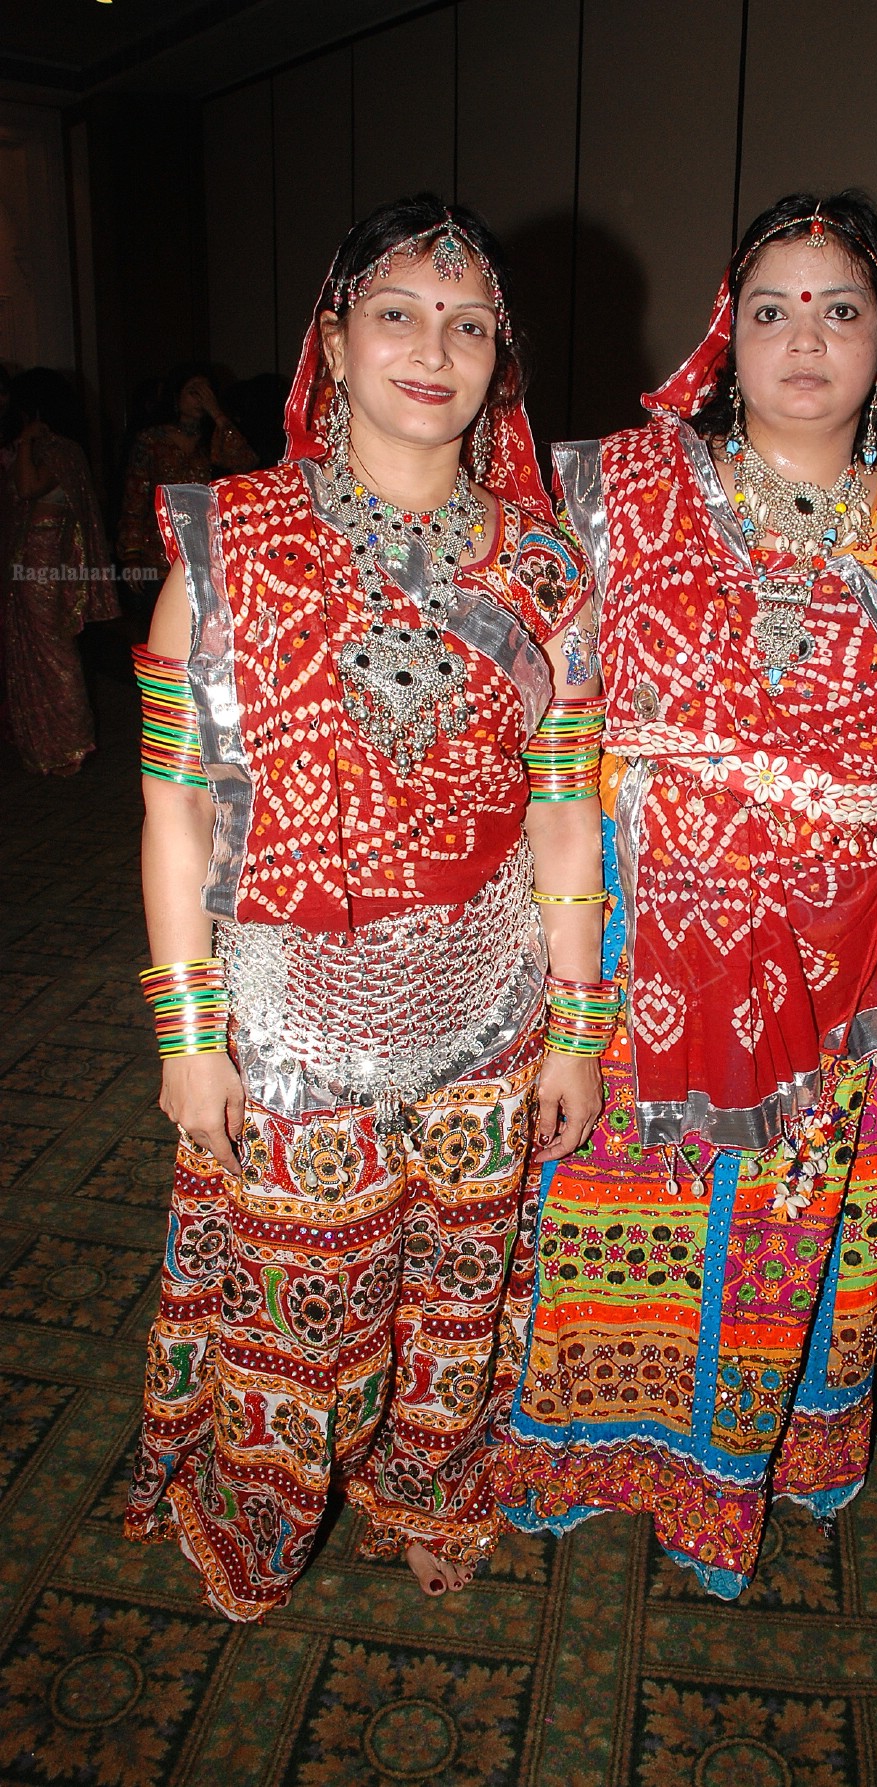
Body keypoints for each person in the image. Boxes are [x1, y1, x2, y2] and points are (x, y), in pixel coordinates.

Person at [494, 191, 877, 1597]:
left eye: (837, 307)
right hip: (640, 942)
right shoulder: (624, 494)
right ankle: (591, 1442)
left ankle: (745, 1454)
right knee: (612, 1192)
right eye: (770, 307)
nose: (803, 337)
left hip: (844, 970)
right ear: (726, 335)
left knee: (783, 1218)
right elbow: (534, 693)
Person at [123, 195, 608, 1620]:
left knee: (459, 1287)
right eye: (396, 312)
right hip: (288, 1007)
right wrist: (187, 1033)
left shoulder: (543, 569)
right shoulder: (226, 545)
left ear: (498, 358)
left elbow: (563, 810)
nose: (432, 346)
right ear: (329, 344)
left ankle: (430, 1482)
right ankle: (259, 1508)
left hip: (486, 994)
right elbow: (175, 807)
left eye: (469, 323)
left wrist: (574, 1027)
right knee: (301, 1301)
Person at [2, 368, 118, 775]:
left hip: (48, 569)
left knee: (55, 654)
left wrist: (28, 442)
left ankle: (69, 744)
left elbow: (28, 488)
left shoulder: (60, 452)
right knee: (29, 652)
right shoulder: (38, 449)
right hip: (25, 564)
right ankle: (42, 743)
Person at [116, 364, 258, 589]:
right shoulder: (152, 440)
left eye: (207, 393)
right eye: (194, 392)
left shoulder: (215, 438)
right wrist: (132, 554)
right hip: (159, 548)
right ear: (176, 395)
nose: (201, 399)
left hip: (206, 548)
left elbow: (246, 464)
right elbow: (135, 497)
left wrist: (218, 414)